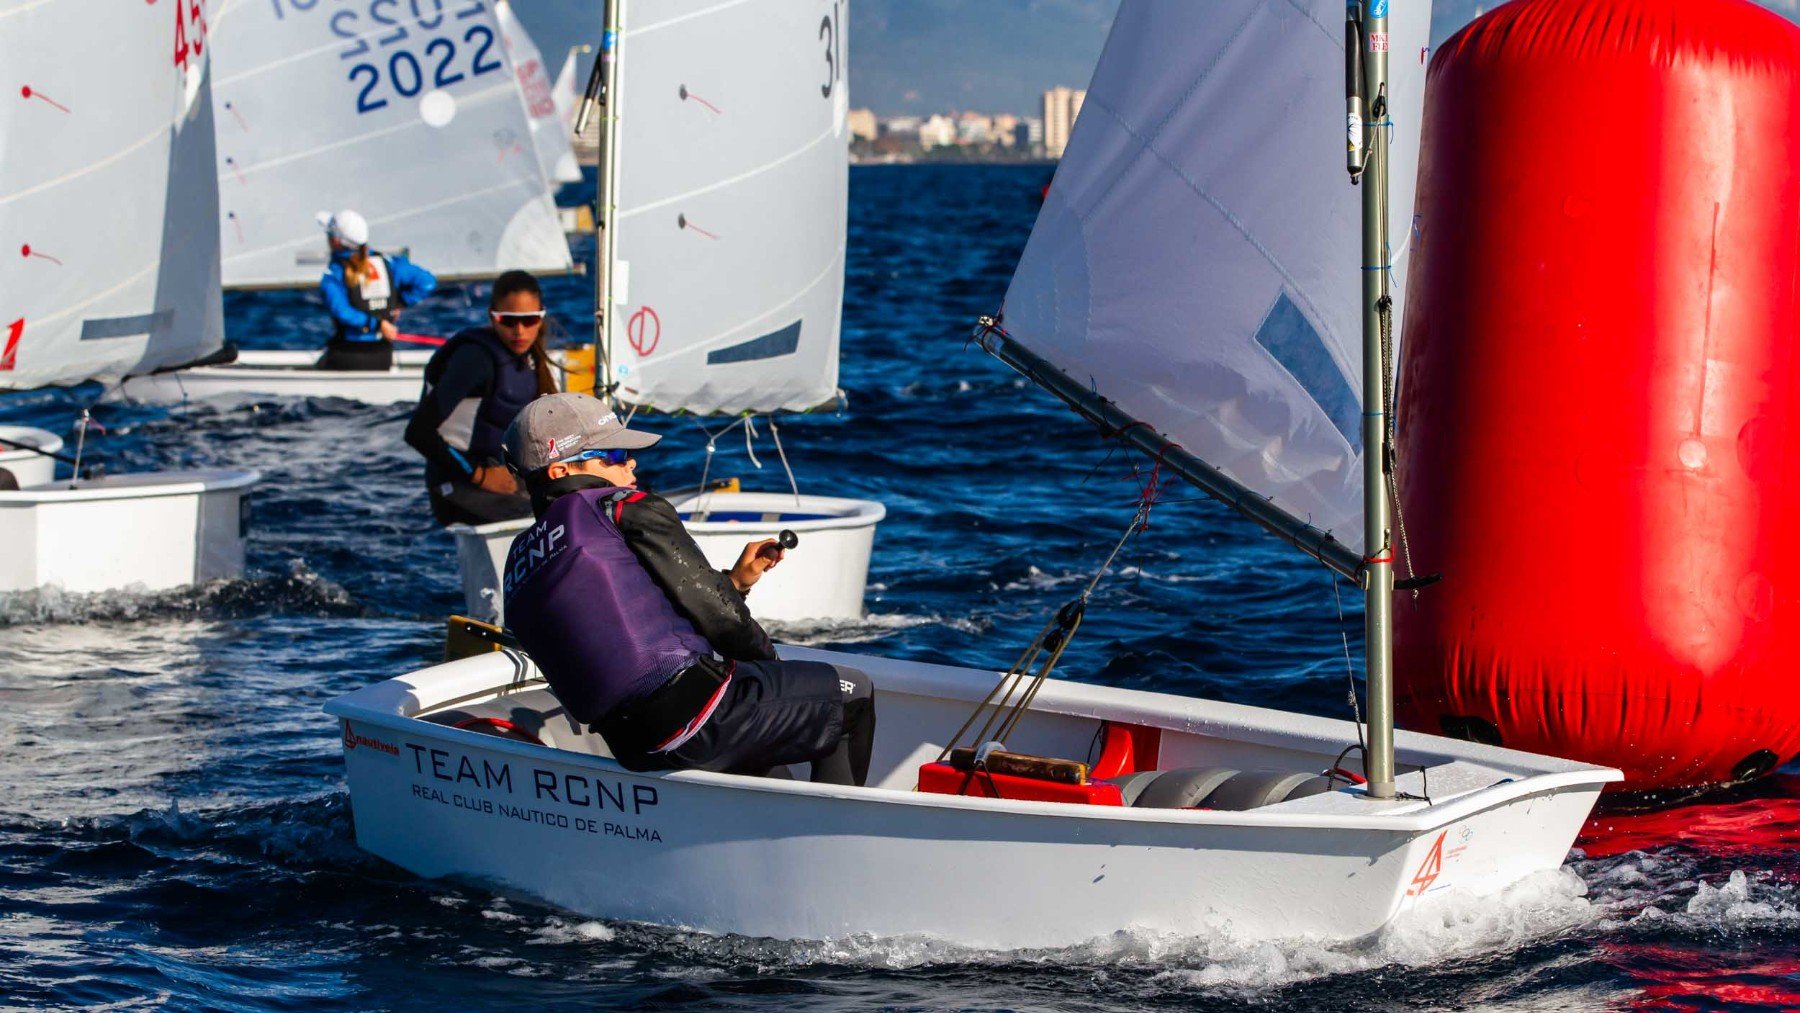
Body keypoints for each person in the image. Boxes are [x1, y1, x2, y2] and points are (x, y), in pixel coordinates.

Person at [499, 393, 877, 786]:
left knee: (771, 764)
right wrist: (776, 670)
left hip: (634, 746)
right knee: (852, 695)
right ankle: (839, 835)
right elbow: (720, 618)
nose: (630, 462)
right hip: (697, 714)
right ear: (561, 472)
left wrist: (735, 582)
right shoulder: (620, 506)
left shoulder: (519, 562)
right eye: (611, 455)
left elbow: (626, 626)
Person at [404, 270, 559, 526]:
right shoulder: (474, 360)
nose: (519, 331)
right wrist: (479, 476)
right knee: (545, 520)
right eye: (507, 321)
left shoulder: (530, 361)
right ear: (492, 317)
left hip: (501, 476)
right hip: (456, 483)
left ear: (541, 318)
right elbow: (418, 431)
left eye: (529, 320)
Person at [316, 209, 436, 371]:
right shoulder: (388, 263)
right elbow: (427, 282)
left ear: (336, 241)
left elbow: (342, 312)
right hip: (383, 356)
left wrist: (377, 324)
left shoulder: (333, 274)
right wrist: (398, 303)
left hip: (347, 355)